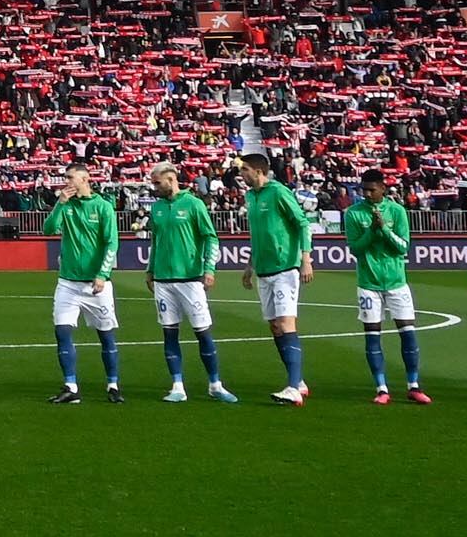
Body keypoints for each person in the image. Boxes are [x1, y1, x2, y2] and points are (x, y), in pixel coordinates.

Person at [143, 161, 234, 404]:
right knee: (169, 333)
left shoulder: (193, 204)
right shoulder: (158, 208)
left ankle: (215, 384)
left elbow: (210, 238)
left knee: (202, 332)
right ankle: (177, 386)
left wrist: (209, 268)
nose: (154, 188)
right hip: (163, 280)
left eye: (157, 183)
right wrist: (150, 269)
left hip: (190, 280)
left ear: (171, 179)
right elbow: (156, 241)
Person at [341, 168, 427, 406]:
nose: (367, 194)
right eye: (364, 190)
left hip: (397, 282)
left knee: (408, 333)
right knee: (372, 336)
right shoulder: (353, 214)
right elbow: (356, 249)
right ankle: (381, 388)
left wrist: (384, 230)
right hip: (368, 284)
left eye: (372, 190)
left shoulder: (397, 211)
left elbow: (402, 247)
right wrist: (372, 230)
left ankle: (414, 385)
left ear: (383, 189)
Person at [235, 153, 313, 404]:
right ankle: (298, 382)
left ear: (258, 171)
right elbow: (259, 234)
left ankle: (292, 387)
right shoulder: (251, 196)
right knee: (275, 326)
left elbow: (302, 223)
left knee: (286, 323)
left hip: (284, 269)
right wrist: (250, 266)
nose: (242, 174)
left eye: (245, 170)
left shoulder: (278, 192)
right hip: (264, 270)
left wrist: (306, 259)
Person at [48, 163, 122, 404]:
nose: (66, 181)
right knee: (62, 331)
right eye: (66, 176)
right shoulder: (66, 205)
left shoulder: (102, 207)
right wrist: (59, 204)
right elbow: (48, 229)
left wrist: (102, 273)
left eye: (70, 177)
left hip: (96, 284)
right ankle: (70, 386)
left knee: (106, 335)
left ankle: (112, 384)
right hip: (68, 282)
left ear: (85, 179)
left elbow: (111, 242)